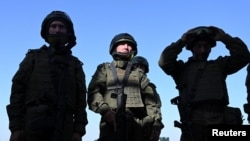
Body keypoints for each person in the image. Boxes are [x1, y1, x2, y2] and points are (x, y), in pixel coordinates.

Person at [6, 10, 88, 141]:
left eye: (61, 27)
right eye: (53, 26)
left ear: (68, 32)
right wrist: (15, 128)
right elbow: (17, 92)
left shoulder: (75, 64)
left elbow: (81, 99)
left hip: (64, 126)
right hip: (33, 124)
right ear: (47, 30)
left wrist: (78, 131)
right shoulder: (33, 58)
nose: (57, 30)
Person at [158, 26, 250, 141]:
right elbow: (164, 62)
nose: (203, 50)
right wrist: (181, 42)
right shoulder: (181, 69)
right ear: (191, 48)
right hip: (193, 124)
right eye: (198, 46)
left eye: (206, 46)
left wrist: (225, 38)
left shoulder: (219, 65)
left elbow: (243, 57)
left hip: (220, 121)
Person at [87, 33, 164, 141]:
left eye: (129, 45)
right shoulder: (105, 69)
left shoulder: (139, 74)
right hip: (112, 122)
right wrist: (106, 111)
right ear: (114, 47)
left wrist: (156, 124)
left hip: (138, 124)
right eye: (122, 43)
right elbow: (93, 93)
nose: (126, 47)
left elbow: (151, 102)